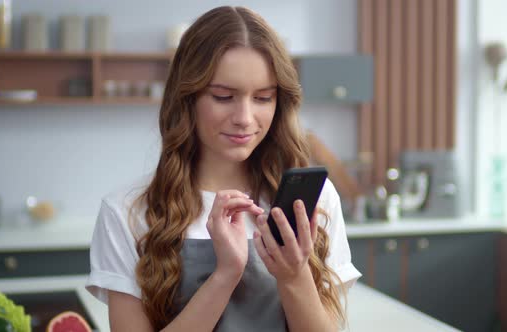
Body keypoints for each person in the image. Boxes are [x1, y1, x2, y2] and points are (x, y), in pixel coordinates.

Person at [86, 6, 361, 332]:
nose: (245, 118)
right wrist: (225, 276)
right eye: (223, 96)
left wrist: (293, 275)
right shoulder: (127, 212)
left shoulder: (312, 201)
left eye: (262, 98)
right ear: (186, 98)